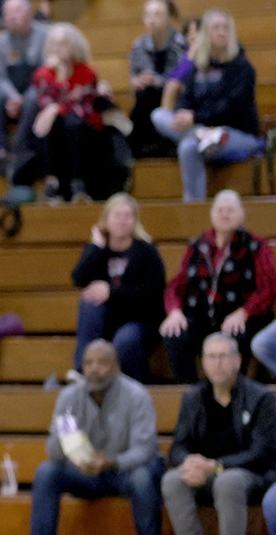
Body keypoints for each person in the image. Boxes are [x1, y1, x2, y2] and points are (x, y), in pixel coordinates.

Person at [29, 339, 163, 535]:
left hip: (124, 472)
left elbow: (145, 449)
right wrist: (69, 441)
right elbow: (54, 452)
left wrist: (112, 462)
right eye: (89, 363)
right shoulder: (69, 397)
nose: (94, 369)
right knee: (46, 472)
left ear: (117, 367)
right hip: (86, 473)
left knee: (142, 478)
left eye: (102, 363)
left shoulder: (136, 395)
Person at [161, 332, 276, 535]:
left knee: (227, 482)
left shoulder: (261, 398)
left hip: (249, 473)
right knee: (172, 480)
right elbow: (179, 446)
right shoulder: (193, 398)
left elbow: (262, 453)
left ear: (237, 361)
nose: (217, 363)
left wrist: (217, 466)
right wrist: (188, 461)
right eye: (211, 357)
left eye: (223, 356)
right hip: (205, 471)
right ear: (203, 363)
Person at [162, 191, 276, 383]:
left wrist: (244, 312)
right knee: (174, 334)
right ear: (212, 215)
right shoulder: (197, 246)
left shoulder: (255, 246)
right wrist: (174, 311)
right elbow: (176, 285)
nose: (225, 214)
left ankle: (237, 392)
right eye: (220, 210)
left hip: (242, 316)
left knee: (238, 333)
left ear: (242, 214)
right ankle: (191, 393)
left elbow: (269, 287)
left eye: (230, 210)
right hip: (201, 316)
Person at [153, 9, 261, 203]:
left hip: (236, 133)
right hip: (202, 130)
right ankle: (200, 135)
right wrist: (182, 112)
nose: (221, 32)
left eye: (225, 28)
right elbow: (186, 97)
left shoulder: (242, 68)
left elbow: (230, 107)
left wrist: (194, 119)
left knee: (188, 146)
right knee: (159, 116)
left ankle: (193, 206)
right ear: (206, 34)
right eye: (216, 28)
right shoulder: (199, 66)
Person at [72, 193, 167, 382]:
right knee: (88, 302)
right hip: (107, 321)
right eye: (117, 215)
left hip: (139, 320)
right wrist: (96, 248)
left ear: (134, 221)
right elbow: (78, 278)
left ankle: (114, 382)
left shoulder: (146, 251)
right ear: (106, 220)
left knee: (124, 340)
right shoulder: (98, 249)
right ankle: (83, 371)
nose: (122, 221)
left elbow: (152, 293)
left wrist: (111, 292)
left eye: (127, 216)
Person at [29, 23, 126, 203]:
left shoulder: (86, 72)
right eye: (53, 45)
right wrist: (60, 79)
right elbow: (45, 103)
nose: (57, 49)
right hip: (57, 129)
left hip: (85, 128)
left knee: (72, 123)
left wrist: (58, 107)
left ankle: (78, 183)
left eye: (62, 44)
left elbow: (84, 107)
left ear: (74, 47)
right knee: (54, 124)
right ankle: (53, 183)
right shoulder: (44, 74)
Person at [0, 0, 50, 172]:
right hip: (12, 87)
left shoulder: (45, 34)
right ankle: (0, 148)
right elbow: (0, 76)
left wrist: (21, 98)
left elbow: (46, 72)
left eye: (16, 11)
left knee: (32, 97)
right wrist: (13, 96)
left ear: (29, 12)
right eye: (7, 13)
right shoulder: (0, 41)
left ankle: (21, 146)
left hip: (37, 85)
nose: (11, 16)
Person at [129, 0, 186, 158]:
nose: (152, 20)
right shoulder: (138, 45)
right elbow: (133, 75)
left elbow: (182, 77)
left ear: (168, 18)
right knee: (144, 95)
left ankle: (162, 144)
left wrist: (158, 80)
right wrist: (137, 81)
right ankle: (142, 150)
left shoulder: (180, 44)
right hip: (146, 97)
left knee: (150, 95)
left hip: (174, 97)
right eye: (148, 15)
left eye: (157, 15)